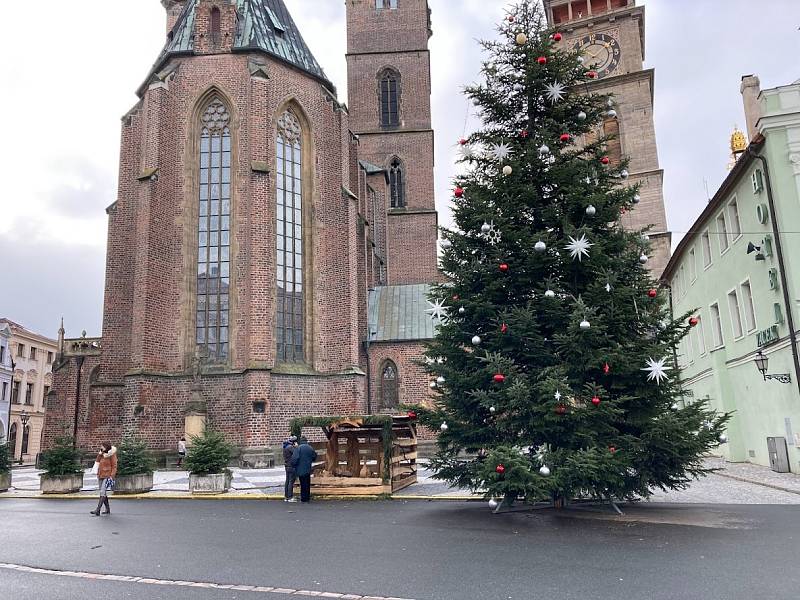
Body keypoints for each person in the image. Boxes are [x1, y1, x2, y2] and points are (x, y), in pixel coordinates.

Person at [91, 442, 117, 516]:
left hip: (107, 475)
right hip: (100, 474)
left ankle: (97, 510)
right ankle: (107, 509)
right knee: (103, 492)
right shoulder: (102, 454)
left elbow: (114, 466)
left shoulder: (112, 454)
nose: (101, 447)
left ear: (106, 447)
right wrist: (100, 453)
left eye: (102, 446)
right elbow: (97, 461)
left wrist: (112, 476)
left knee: (102, 492)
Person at [291, 436, 318, 503]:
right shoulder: (310, 448)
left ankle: (303, 498)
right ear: (306, 441)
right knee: (307, 483)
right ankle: (307, 497)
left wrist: (294, 465)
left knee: (302, 484)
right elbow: (314, 456)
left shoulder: (298, 448)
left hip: (300, 469)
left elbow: (295, 458)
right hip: (308, 468)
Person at [283, 436, 298, 502]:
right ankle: (290, 497)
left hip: (287, 466)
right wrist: (296, 447)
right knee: (291, 481)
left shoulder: (285, 447)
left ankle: (286, 496)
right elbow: (296, 454)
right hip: (291, 466)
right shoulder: (291, 447)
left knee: (287, 481)